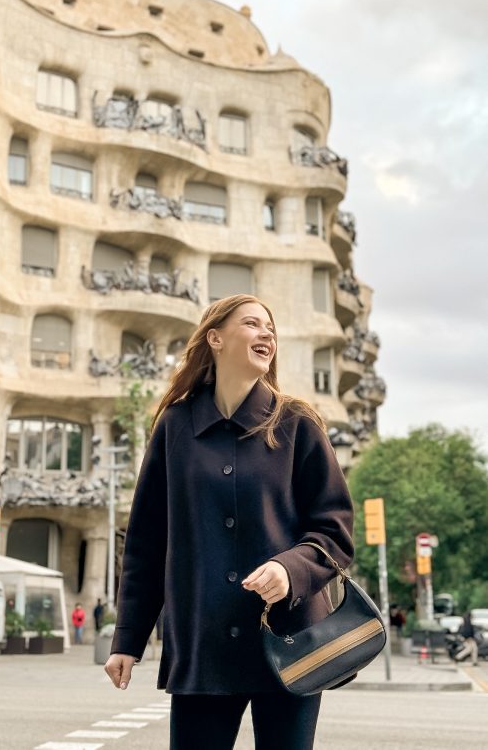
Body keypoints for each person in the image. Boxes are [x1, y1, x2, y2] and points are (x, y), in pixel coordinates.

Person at [104, 294, 354, 750]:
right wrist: (128, 639)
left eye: (271, 328)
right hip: (203, 643)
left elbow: (334, 530)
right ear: (215, 338)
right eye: (253, 324)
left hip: (289, 640)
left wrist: (290, 569)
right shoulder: (175, 427)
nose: (267, 334)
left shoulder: (297, 424)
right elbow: (145, 543)